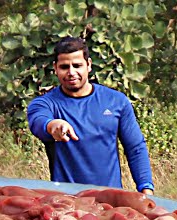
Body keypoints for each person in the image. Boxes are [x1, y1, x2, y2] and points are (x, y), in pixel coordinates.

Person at [26, 36, 154, 194]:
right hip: (67, 204)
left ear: (89, 65)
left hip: (109, 202)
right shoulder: (45, 104)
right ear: (55, 68)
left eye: (77, 65)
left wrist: (146, 189)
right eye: (65, 67)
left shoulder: (116, 101)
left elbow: (135, 148)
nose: (71, 72)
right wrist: (53, 126)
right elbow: (39, 122)